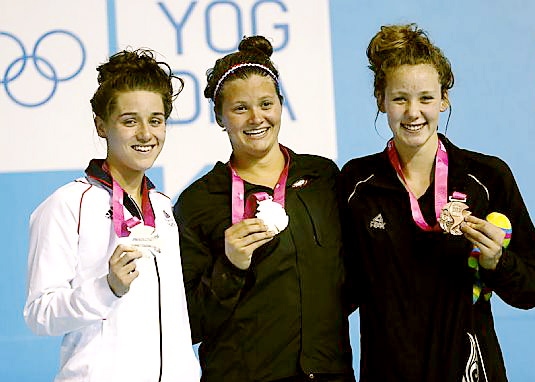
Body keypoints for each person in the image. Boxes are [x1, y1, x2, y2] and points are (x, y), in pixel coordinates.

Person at [338, 23, 535, 381]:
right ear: (381, 100)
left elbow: (531, 289)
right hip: (389, 371)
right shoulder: (358, 184)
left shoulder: (486, 178)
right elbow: (340, 292)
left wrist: (497, 261)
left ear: (444, 99)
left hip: (471, 370)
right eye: (400, 98)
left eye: (426, 98)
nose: (414, 112)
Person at [173, 35, 354, 382]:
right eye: (240, 108)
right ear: (220, 117)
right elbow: (187, 324)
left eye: (266, 104)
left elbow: (350, 281)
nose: (257, 118)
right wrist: (230, 267)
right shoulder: (199, 202)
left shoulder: (322, 177)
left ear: (281, 105)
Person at [23, 49, 200, 382]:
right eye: (129, 121)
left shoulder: (162, 207)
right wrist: (108, 287)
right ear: (101, 125)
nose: (146, 134)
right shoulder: (67, 204)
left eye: (156, 120)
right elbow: (39, 314)